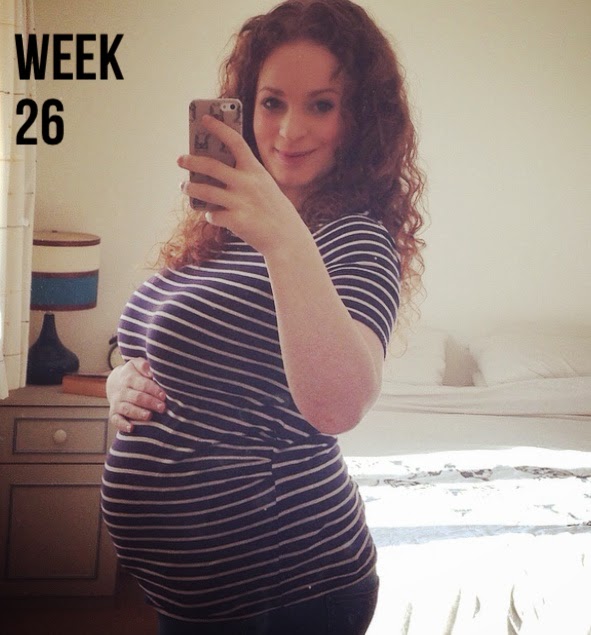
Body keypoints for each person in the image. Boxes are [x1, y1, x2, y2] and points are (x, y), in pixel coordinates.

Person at [101, 0, 425, 633]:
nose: (289, 130)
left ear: (360, 118)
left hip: (287, 582)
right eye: (272, 102)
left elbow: (338, 407)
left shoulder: (353, 238)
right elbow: (170, 353)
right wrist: (122, 383)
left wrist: (282, 234)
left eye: (321, 105)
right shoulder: (226, 229)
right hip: (203, 592)